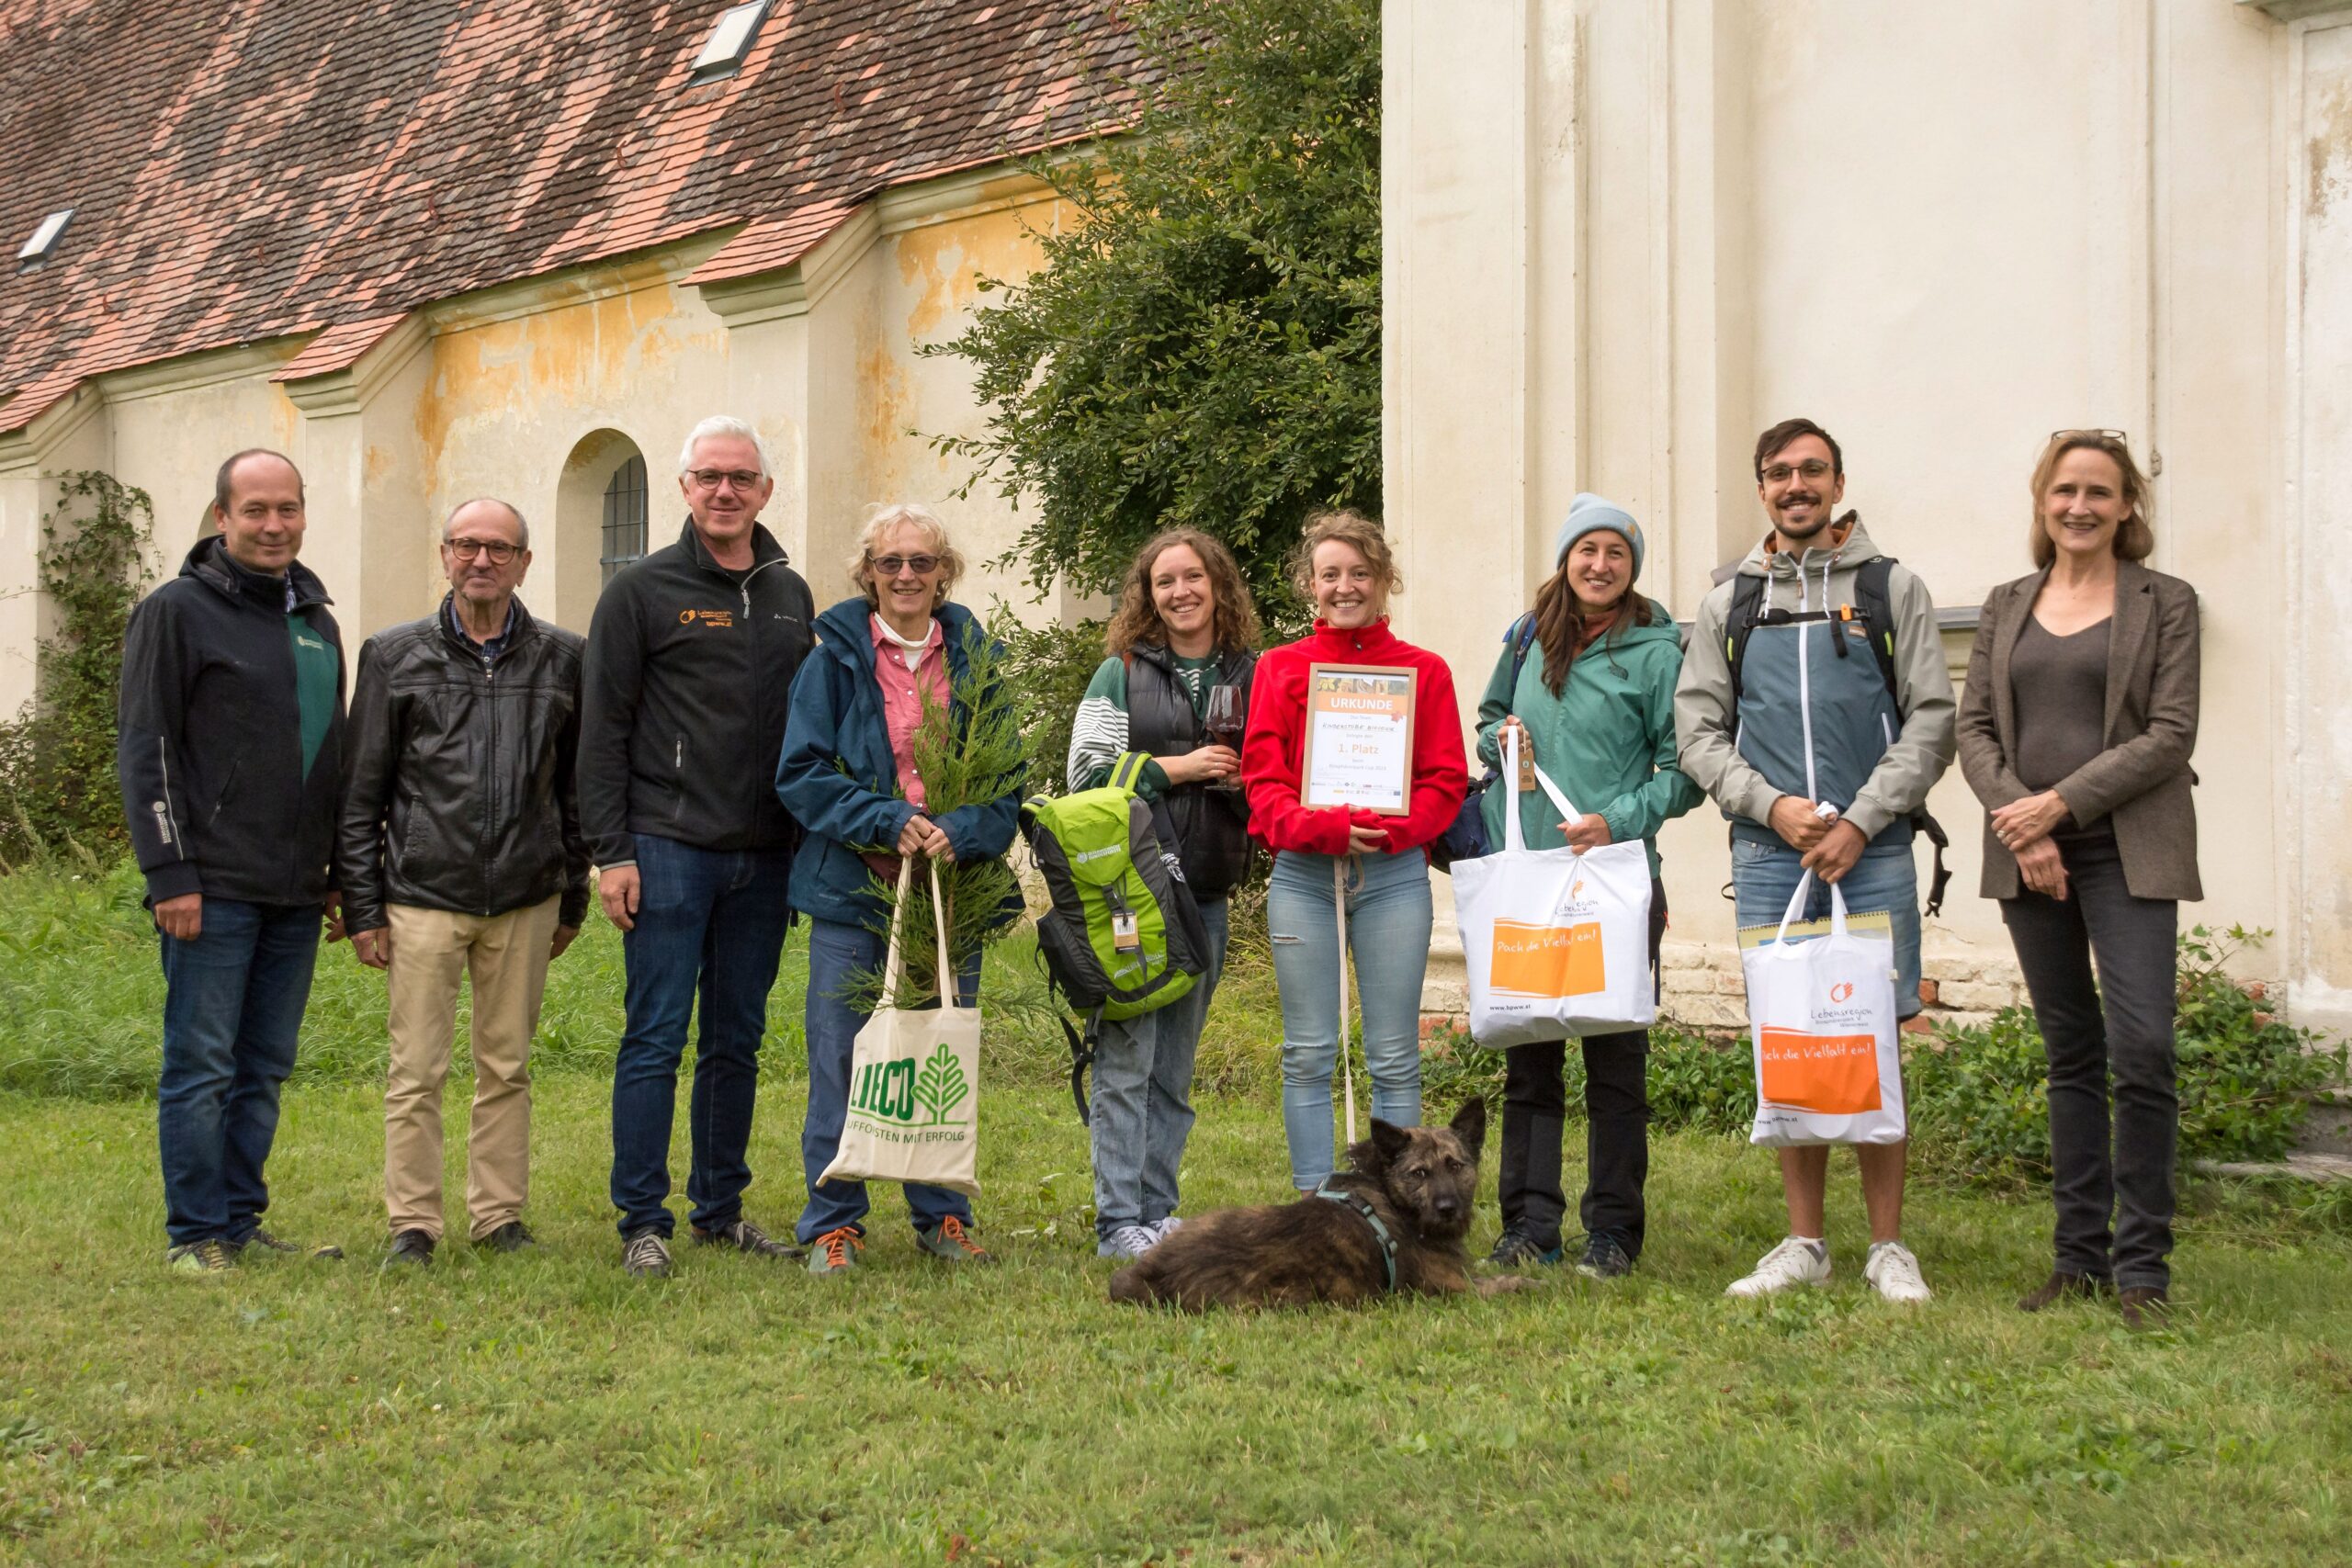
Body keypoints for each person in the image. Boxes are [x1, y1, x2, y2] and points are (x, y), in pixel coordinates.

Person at [1675, 417, 1956, 1304]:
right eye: (1779, 473)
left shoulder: (1890, 588)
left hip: (1871, 851)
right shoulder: (1730, 602)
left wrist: (1862, 820)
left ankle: (1888, 1247)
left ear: (1838, 483)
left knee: (1873, 1038)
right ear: (1761, 487)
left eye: (1812, 470)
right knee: (1790, 1035)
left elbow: (1932, 720)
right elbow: (1698, 732)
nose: (1796, 486)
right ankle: (1805, 1241)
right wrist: (1773, 806)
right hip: (1770, 854)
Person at [1958, 431, 2199, 1330]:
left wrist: (2056, 806)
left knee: (2143, 1047)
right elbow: (1974, 729)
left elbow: (2169, 733)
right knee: (2070, 1052)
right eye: (2065, 490)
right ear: (2042, 500)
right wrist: (2023, 823)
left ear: (2127, 505)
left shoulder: (2165, 602)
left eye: (2099, 491)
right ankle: (2079, 1259)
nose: (2080, 506)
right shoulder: (2005, 604)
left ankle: (2143, 1268)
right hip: (2029, 854)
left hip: (2128, 846)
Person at [582, 415, 816, 1278]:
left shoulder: (789, 593)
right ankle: (643, 1219)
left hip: (765, 854)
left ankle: (720, 1209)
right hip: (667, 844)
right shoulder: (640, 592)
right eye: (709, 476)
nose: (725, 490)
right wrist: (611, 851)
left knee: (735, 1039)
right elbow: (601, 729)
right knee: (655, 1036)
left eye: (741, 478)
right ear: (683, 487)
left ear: (765, 490)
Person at [338, 498, 588, 1268]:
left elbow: (575, 791)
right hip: (422, 895)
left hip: (525, 895)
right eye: (467, 545)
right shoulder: (394, 655)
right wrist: (362, 906)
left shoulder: (564, 659)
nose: (483, 560)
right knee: (416, 1071)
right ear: (445, 554)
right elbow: (361, 792)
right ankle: (412, 1223)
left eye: (500, 548)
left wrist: (572, 896)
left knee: (506, 1066)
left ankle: (498, 1215)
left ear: (524, 562)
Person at [775, 503, 1022, 1275]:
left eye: (921, 561)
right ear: (869, 574)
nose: (907, 575)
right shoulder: (831, 663)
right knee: (842, 1057)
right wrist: (886, 819)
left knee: (937, 1053)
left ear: (943, 572)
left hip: (949, 894)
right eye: (891, 562)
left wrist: (962, 829)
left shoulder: (976, 664)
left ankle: (943, 1216)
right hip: (856, 891)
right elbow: (801, 773)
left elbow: (1007, 785)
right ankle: (833, 1223)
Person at [117, 449, 347, 1274]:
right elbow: (146, 749)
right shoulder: (175, 612)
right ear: (222, 517)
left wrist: (334, 873)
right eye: (255, 510)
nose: (273, 525)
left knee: (263, 1067)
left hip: (294, 891)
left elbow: (329, 756)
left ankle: (240, 1220)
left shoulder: (316, 622)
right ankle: (194, 1233)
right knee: (202, 1064)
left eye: (287, 508)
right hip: (209, 888)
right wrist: (169, 872)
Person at [1476, 495, 1702, 1279]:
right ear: (1566, 558)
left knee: (1615, 1065)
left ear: (1631, 567)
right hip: (1530, 881)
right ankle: (1529, 1224)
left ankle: (1613, 1231)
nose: (1600, 565)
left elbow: (1686, 771)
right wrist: (1501, 738)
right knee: (1530, 1062)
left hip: (1615, 882)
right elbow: (1489, 719)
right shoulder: (1526, 636)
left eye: (1616, 553)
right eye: (1587, 550)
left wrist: (1619, 819)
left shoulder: (1659, 652)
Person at [1239, 510, 1467, 1191]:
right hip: (1305, 877)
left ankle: (1401, 1204)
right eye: (1330, 574)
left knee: (1394, 1055)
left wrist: (1390, 830)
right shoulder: (1280, 668)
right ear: (1310, 583)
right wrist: (1325, 830)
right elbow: (1262, 784)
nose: (1345, 587)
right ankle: (1317, 1199)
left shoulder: (1424, 671)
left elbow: (1445, 780)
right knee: (1309, 1051)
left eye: (1360, 573)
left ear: (1384, 579)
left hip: (1393, 876)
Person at [1067, 530, 1261, 1260]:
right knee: (1127, 1061)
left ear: (1219, 583)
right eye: (1164, 581)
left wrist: (1245, 782)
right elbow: (1085, 776)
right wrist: (1177, 768)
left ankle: (1157, 1210)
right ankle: (1118, 1220)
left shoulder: (1253, 673)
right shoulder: (1119, 671)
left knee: (1174, 1069)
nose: (1180, 592)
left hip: (1204, 893)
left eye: (1193, 577)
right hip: (1130, 895)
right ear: (1147, 596)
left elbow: (1280, 779)